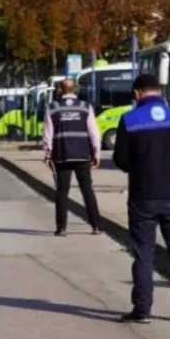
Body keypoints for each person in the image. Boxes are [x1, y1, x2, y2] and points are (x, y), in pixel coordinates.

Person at [111, 74, 170, 324]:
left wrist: (139, 167)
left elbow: (121, 158)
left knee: (143, 254)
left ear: (138, 93)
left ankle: (142, 310)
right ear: (158, 91)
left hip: (143, 196)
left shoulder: (129, 119)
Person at [42, 78, 102, 236]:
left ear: (61, 90)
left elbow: (48, 134)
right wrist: (96, 153)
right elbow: (94, 133)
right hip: (83, 155)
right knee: (87, 190)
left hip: (62, 155)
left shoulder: (52, 108)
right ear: (75, 89)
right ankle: (96, 226)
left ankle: (61, 228)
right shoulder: (85, 107)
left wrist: (47, 154)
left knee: (62, 192)